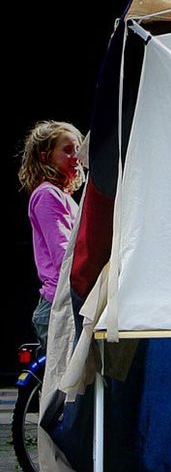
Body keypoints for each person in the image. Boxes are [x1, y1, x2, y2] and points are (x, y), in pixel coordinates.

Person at [18, 121, 83, 354]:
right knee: (65, 387)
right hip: (58, 304)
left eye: (78, 149)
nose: (75, 156)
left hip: (66, 301)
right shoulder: (47, 195)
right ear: (46, 157)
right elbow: (64, 253)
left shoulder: (62, 195)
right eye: (67, 150)